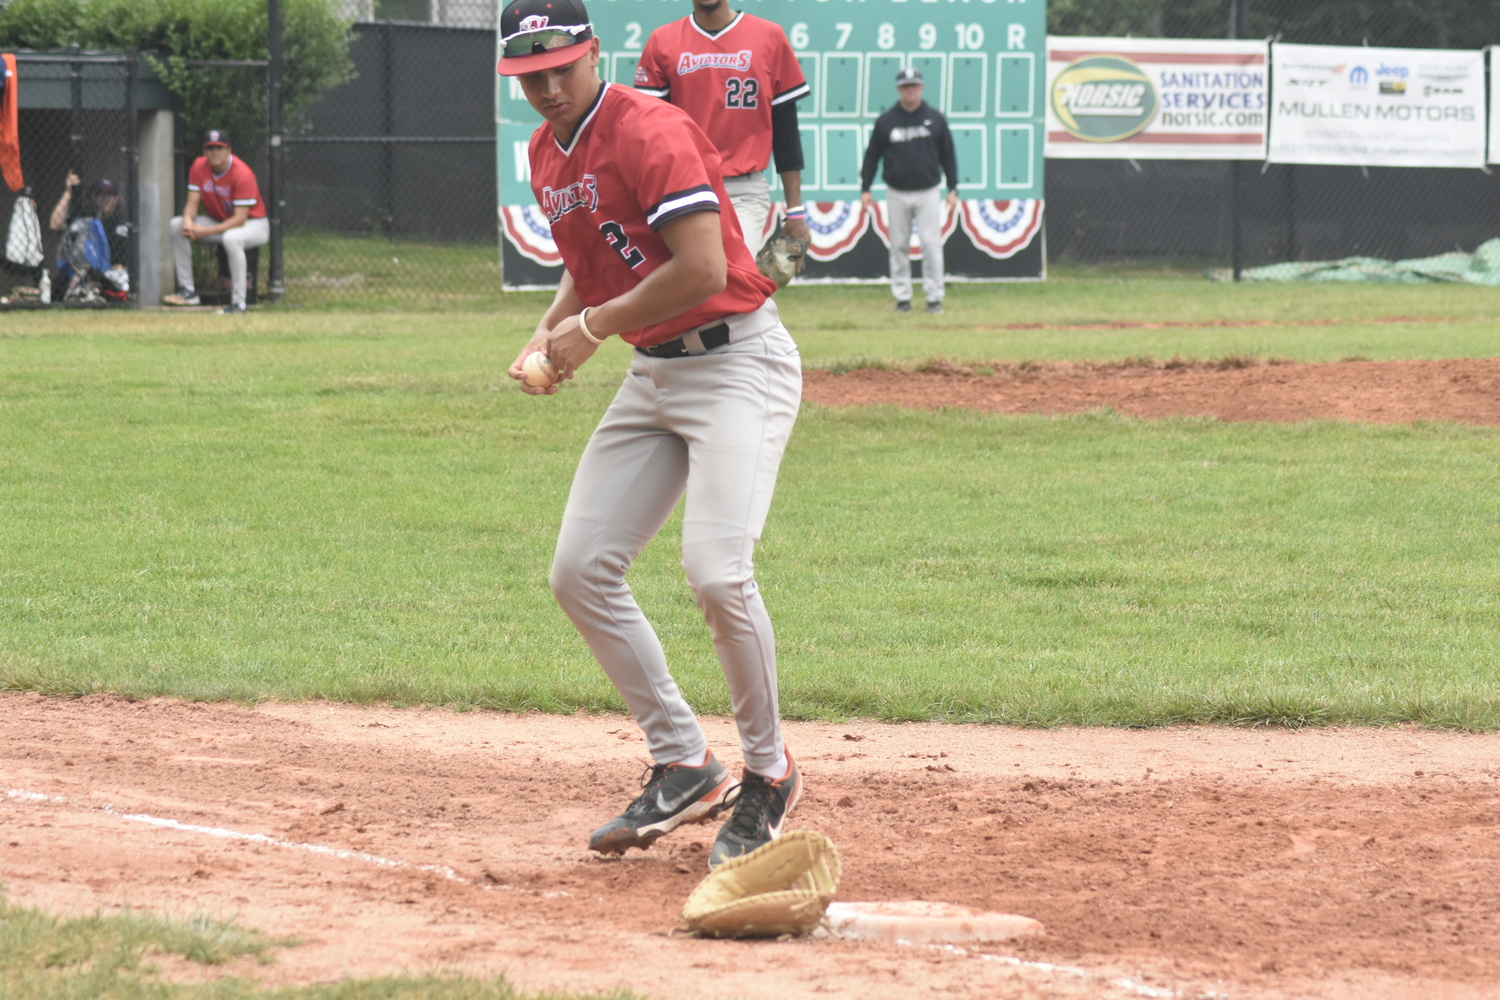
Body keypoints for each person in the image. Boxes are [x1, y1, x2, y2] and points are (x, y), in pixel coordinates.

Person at [498, 0, 804, 870]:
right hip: (655, 372)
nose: (548, 87)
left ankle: (770, 773)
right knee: (579, 571)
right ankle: (683, 761)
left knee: (716, 571)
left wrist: (588, 330)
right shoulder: (545, 150)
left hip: (738, 363)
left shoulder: (650, 129)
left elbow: (704, 267)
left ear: (595, 53)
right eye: (530, 75)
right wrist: (548, 330)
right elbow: (589, 253)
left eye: (562, 66)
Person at [634, 0, 811, 257]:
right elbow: (650, 135)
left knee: (731, 279)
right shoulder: (663, 40)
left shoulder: (769, 36)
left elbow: (786, 134)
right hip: (685, 187)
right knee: (696, 284)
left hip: (744, 190)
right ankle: (759, 300)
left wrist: (795, 211)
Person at [860, 67, 959, 315]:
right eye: (905, 86)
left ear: (921, 87)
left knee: (931, 244)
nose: (910, 90)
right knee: (899, 245)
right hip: (896, 191)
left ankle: (934, 298)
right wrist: (865, 187)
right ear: (898, 89)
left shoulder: (935, 118)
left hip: (928, 191)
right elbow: (872, 157)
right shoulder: (886, 120)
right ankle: (902, 298)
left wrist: (953, 188)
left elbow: (948, 155)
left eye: (914, 85)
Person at [163, 130, 268, 314]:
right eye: (210, 148)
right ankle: (188, 292)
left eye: (219, 148)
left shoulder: (242, 173)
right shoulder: (199, 166)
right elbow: (192, 204)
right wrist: (188, 220)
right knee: (176, 225)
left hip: (254, 225)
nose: (214, 153)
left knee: (231, 238)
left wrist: (206, 231)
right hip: (220, 222)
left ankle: (239, 304)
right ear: (204, 151)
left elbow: (240, 219)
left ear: (229, 150)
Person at [49, 172, 128, 299]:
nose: (105, 199)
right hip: (86, 271)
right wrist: (68, 192)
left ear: (117, 198)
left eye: (110, 195)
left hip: (114, 273)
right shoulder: (85, 218)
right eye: (100, 194)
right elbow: (55, 224)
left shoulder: (123, 221)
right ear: (93, 197)